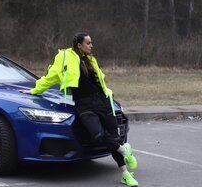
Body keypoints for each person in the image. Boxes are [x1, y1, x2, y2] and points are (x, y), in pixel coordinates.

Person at [21, 32, 139, 186]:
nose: (91, 46)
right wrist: (34, 90)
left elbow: (99, 81)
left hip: (102, 101)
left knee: (113, 138)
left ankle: (125, 173)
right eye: (88, 43)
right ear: (79, 45)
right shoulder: (64, 58)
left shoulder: (91, 60)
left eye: (91, 43)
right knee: (98, 135)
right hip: (84, 104)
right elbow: (50, 78)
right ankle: (124, 150)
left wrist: (107, 93)